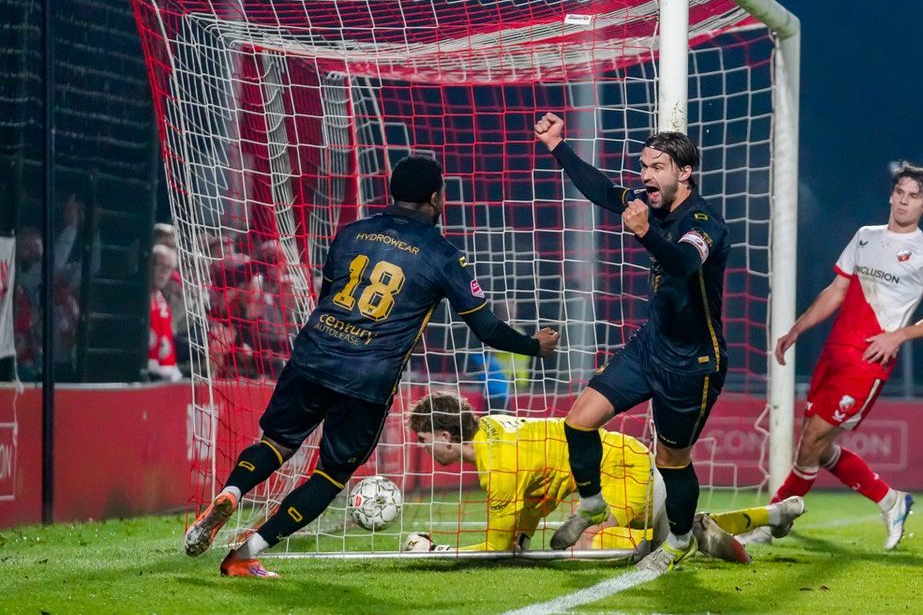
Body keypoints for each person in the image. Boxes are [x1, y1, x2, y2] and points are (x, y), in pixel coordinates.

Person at [182, 156, 560, 578]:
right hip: (367, 377)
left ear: (392, 193)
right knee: (330, 474)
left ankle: (232, 492)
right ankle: (244, 554)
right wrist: (533, 345)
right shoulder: (443, 255)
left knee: (277, 442)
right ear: (437, 198)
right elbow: (486, 328)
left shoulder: (352, 233)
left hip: (313, 354)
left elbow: (328, 295)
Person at [533, 112, 731, 572]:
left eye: (656, 167)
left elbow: (682, 263)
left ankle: (679, 542)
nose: (645, 176)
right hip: (649, 347)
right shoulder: (648, 202)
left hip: (693, 361)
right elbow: (603, 191)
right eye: (643, 166)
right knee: (579, 421)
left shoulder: (705, 222)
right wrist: (557, 146)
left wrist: (644, 233)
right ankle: (592, 505)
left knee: (671, 460)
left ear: (685, 172)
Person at [755, 161, 923, 550]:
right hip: (834, 352)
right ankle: (890, 499)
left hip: (868, 362)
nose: (904, 200)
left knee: (812, 439)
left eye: (914, 196)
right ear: (891, 194)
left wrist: (898, 335)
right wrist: (797, 328)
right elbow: (835, 290)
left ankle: (773, 520)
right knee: (817, 446)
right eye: (900, 191)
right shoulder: (865, 236)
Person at [405, 391, 802, 562]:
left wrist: (434, 550)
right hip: (621, 456)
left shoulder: (497, 464)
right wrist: (524, 532)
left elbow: (495, 549)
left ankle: (688, 540)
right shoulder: (492, 426)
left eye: (424, 440)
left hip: (619, 470)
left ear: (444, 435)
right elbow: (539, 484)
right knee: (674, 526)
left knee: (597, 543)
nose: (422, 449)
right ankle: (773, 515)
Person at [147, 244, 183, 381]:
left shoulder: (161, 302)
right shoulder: (137, 297)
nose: (163, 272)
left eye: (168, 268)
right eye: (160, 265)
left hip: (161, 377)